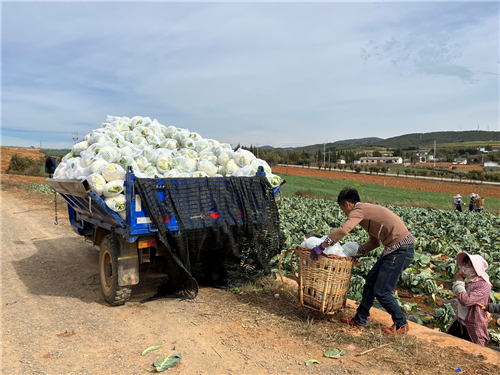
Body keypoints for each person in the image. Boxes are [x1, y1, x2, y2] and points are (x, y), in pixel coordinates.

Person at [310, 187, 415, 335]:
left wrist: (323, 245)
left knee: (382, 291)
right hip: (394, 250)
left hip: (401, 250)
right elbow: (375, 242)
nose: (345, 214)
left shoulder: (358, 210)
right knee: (370, 282)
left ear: (347, 204)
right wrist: (352, 252)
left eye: (342, 209)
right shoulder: (367, 214)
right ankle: (359, 320)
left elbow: (344, 229)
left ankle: (401, 323)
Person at [447, 253, 491, 347]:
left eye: (469, 264)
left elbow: (465, 300)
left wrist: (459, 282)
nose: (465, 266)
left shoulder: (484, 286)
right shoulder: (468, 280)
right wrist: (461, 282)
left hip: (473, 326)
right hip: (459, 321)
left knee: (474, 352)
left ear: (477, 268)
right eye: (465, 263)